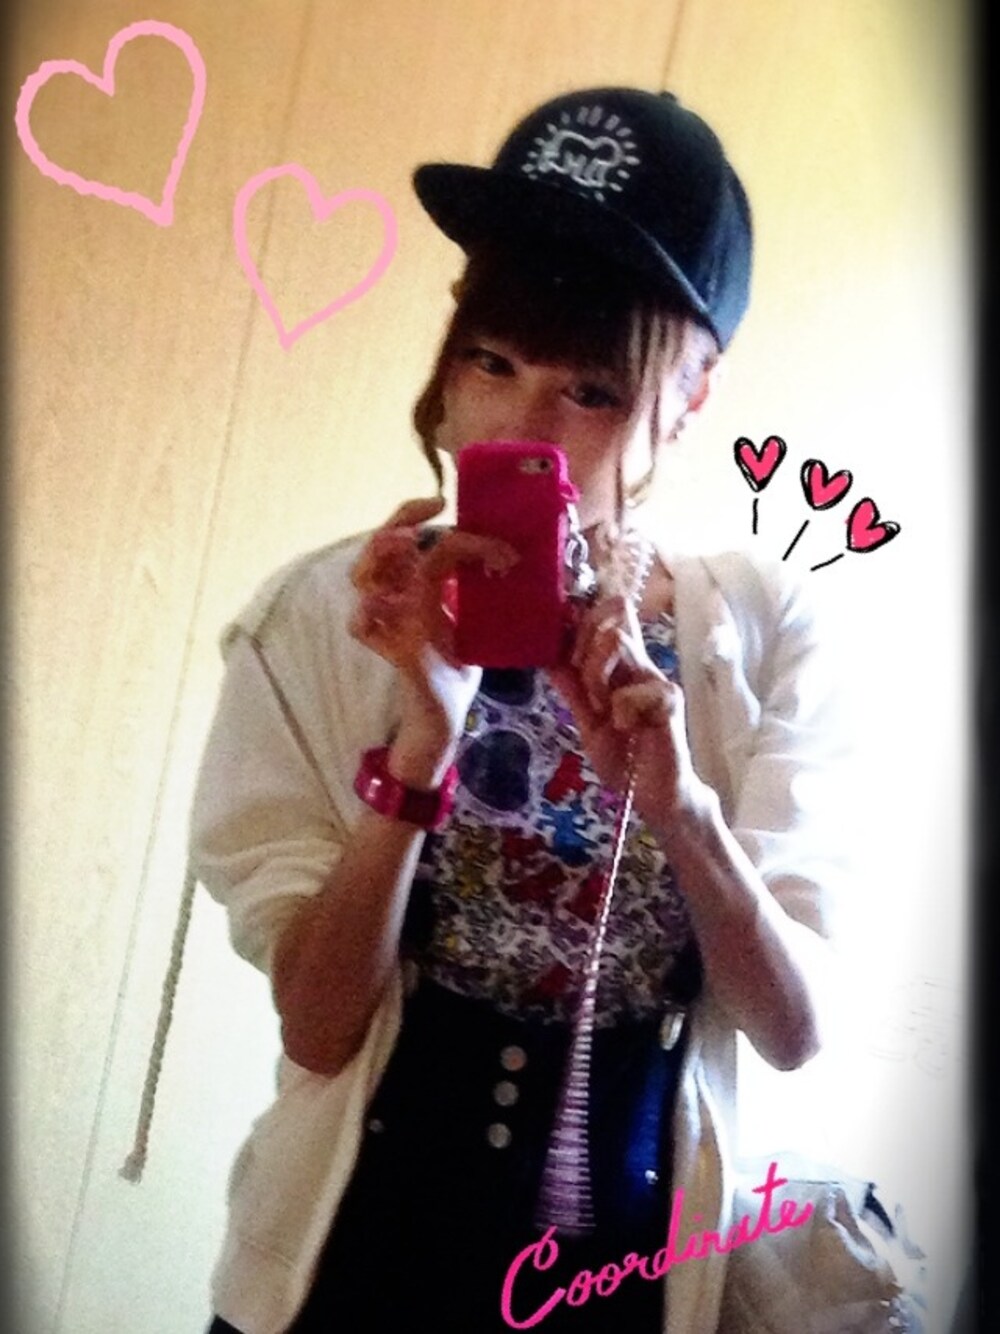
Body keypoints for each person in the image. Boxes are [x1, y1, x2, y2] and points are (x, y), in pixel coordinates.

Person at [192, 87, 847, 1334]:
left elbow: (792, 1028)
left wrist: (680, 806)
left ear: (693, 389)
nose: (521, 424)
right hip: (348, 1250)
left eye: (591, 389)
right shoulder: (321, 619)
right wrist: (420, 744)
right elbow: (318, 1027)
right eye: (491, 361)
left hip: (621, 1267)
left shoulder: (764, 635)